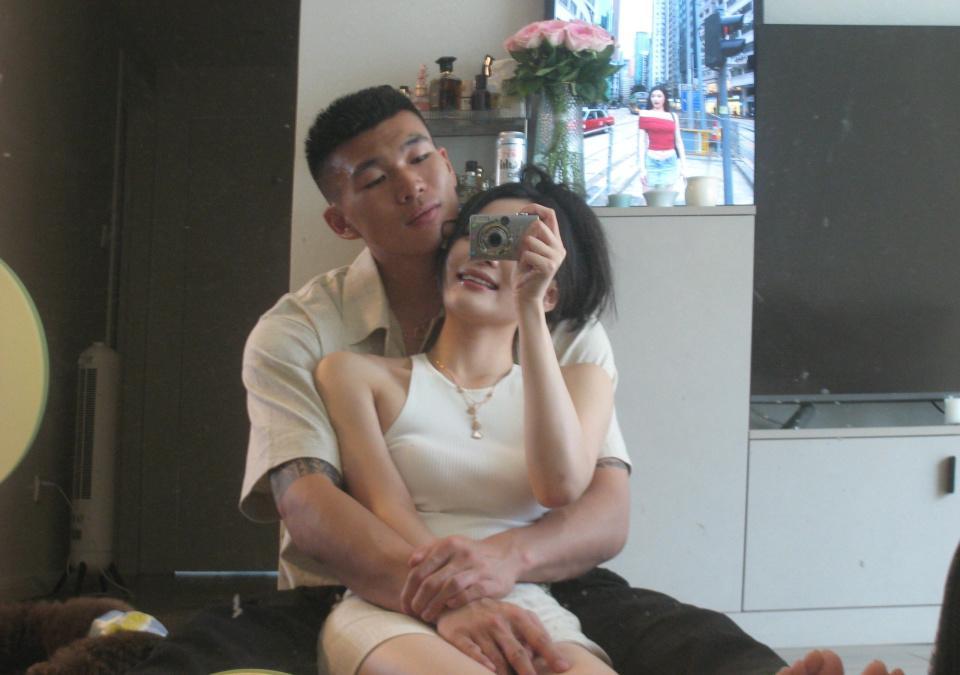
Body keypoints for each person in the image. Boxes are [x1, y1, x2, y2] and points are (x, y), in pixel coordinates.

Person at [131, 85, 901, 675]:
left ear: (447, 163)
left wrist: (507, 561)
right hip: (356, 580)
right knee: (203, 649)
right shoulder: (300, 335)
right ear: (341, 220)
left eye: (420, 155)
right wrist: (445, 597)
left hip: (542, 573)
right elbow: (310, 507)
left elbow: (602, 507)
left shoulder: (556, 314)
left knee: (688, 639)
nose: (411, 185)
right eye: (375, 177)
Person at [313, 170, 618, 674]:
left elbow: (560, 486)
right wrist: (456, 600)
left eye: (516, 246)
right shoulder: (355, 376)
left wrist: (530, 308)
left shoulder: (582, 383)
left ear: (553, 290)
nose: (487, 256)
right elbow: (386, 507)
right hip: (400, 598)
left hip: (523, 599)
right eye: (483, 235)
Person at [637, 84, 686, 192]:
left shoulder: (673, 116)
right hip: (651, 162)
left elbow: (679, 142)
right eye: (653, 96)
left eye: (659, 96)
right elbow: (641, 143)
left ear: (664, 98)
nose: (656, 99)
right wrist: (642, 169)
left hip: (670, 162)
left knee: (666, 199)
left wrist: (684, 167)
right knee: (649, 198)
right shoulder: (644, 114)